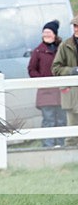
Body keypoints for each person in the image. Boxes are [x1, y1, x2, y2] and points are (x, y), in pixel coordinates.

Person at [28, 20, 66, 147]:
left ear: (54, 34)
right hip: (46, 92)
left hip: (61, 91)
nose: (46, 35)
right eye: (44, 32)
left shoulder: (62, 49)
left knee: (61, 120)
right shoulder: (38, 51)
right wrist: (42, 80)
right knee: (48, 120)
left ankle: (61, 145)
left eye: (49, 32)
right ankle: (48, 147)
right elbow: (31, 69)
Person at [52, 14, 78, 147]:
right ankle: (69, 157)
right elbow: (55, 68)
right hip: (72, 94)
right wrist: (73, 71)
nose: (76, 29)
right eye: (75, 26)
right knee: (72, 134)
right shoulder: (65, 45)